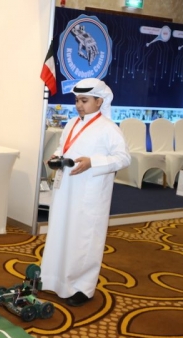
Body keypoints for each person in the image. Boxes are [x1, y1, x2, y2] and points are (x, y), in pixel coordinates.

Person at [41, 78, 131, 307]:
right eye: (76, 101)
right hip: (66, 188)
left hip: (90, 192)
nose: (79, 105)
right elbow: (64, 147)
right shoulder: (72, 123)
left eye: (84, 100)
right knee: (62, 232)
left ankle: (83, 287)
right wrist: (56, 157)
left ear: (99, 101)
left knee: (84, 239)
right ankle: (54, 280)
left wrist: (93, 162)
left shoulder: (109, 128)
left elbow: (123, 158)